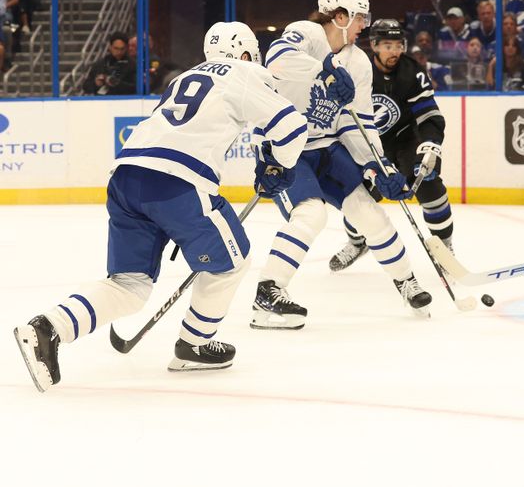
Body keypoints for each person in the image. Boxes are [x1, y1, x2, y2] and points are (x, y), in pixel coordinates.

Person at [13, 21, 309, 392]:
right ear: (246, 53)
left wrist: (268, 157)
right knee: (232, 261)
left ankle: (47, 328)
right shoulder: (246, 71)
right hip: (178, 182)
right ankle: (195, 345)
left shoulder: (184, 77)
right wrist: (278, 167)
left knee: (129, 285)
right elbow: (292, 127)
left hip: (126, 177)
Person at [254, 0, 433, 329]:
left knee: (370, 214)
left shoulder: (359, 61)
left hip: (327, 147)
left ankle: (406, 280)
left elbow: (358, 122)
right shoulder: (305, 33)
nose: (364, 25)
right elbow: (277, 58)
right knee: (311, 215)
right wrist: (325, 69)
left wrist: (377, 166)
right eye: (360, 18)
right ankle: (267, 292)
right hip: (287, 149)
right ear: (340, 16)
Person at [328, 19, 456, 273]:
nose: (394, 52)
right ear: (374, 45)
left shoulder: (412, 72)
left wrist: (430, 144)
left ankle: (445, 248)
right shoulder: (357, 68)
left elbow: (429, 115)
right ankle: (357, 243)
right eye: (387, 45)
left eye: (399, 45)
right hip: (369, 144)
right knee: (356, 196)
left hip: (408, 140)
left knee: (429, 182)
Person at [82, 31, 136, 95]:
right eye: (116, 48)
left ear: (126, 48)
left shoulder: (132, 65)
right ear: (110, 47)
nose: (119, 52)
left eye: (122, 49)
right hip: (102, 101)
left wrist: (118, 84)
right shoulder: (100, 64)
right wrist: (96, 83)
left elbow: (136, 87)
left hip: (125, 101)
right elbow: (85, 86)